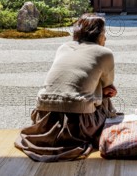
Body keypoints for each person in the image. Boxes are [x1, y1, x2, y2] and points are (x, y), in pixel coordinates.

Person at [15, 14, 118, 162]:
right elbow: (109, 86)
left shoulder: (63, 47)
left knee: (96, 90)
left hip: (44, 116)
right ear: (98, 34)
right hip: (79, 121)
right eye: (104, 34)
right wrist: (101, 92)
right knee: (106, 97)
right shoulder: (105, 53)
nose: (105, 38)